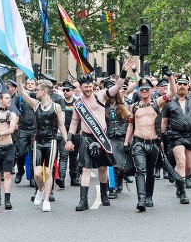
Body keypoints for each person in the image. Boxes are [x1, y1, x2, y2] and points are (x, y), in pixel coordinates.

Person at [66, 58, 134, 211]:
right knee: (85, 169)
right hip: (86, 138)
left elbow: (117, 87)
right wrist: (69, 140)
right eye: (85, 87)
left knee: (102, 168)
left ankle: (104, 195)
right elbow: (74, 123)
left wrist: (124, 70)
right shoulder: (78, 104)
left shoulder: (101, 95)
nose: (88, 89)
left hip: (101, 137)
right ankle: (83, 200)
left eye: (90, 86)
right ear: (81, 88)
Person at [124, 68, 176, 211]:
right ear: (139, 91)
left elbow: (172, 93)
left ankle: (148, 196)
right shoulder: (134, 107)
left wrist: (170, 77)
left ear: (151, 90)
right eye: (142, 89)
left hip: (153, 143)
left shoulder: (157, 103)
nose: (145, 92)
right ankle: (141, 199)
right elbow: (130, 126)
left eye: (147, 89)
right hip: (138, 142)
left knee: (150, 171)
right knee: (140, 171)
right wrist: (126, 141)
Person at [17, 70, 68, 212]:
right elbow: (21, 92)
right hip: (38, 142)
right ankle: (41, 190)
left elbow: (61, 126)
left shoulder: (56, 107)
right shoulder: (36, 104)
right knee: (37, 174)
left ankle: (46, 200)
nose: (35, 91)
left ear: (44, 91)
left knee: (49, 172)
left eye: (38, 89)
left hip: (51, 142)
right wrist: (19, 77)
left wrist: (67, 140)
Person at [161, 74, 191, 204]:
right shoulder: (169, 102)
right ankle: (182, 191)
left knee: (189, 167)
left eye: (184, 84)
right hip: (176, 135)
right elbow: (164, 122)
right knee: (181, 162)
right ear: (176, 85)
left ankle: (178, 179)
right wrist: (161, 138)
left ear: (188, 86)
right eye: (179, 84)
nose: (182, 86)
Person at [60, 80, 81, 187]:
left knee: (73, 156)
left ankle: (74, 178)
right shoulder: (60, 102)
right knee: (63, 156)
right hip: (64, 133)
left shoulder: (77, 103)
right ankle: (61, 178)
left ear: (72, 91)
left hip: (75, 133)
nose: (65, 92)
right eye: (64, 90)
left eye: (67, 90)